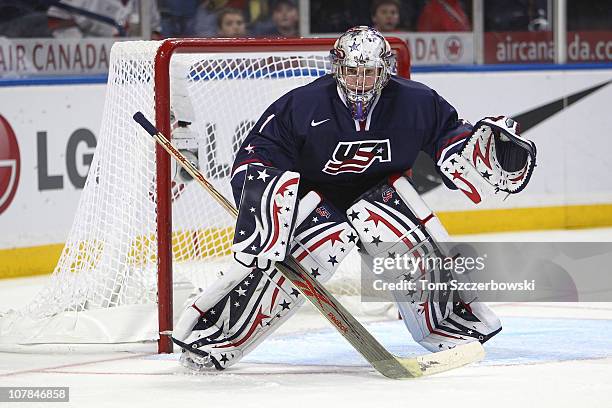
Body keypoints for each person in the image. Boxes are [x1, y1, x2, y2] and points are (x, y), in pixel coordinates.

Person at [172, 26, 537, 371]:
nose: (360, 81)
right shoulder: (303, 104)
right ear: (337, 69)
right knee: (290, 261)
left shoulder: (417, 101)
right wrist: (267, 203)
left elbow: (449, 135)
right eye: (351, 72)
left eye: (369, 72)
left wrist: (472, 154)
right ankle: (216, 337)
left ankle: (448, 323)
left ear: (385, 71)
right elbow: (257, 155)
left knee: (411, 244)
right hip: (315, 203)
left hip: (381, 198)